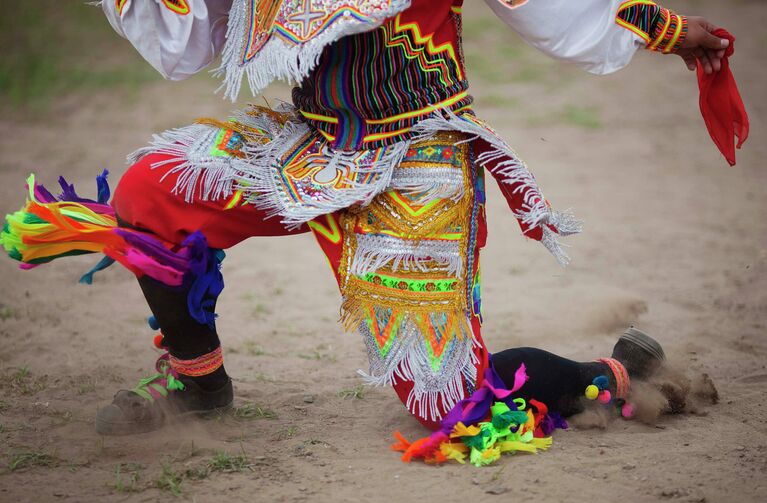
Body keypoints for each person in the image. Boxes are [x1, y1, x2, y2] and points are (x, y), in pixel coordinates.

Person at [0, 0, 728, 463]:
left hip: (420, 161)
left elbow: (550, 8)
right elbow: (186, 38)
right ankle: (199, 387)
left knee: (451, 409)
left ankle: (610, 373)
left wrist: (668, 31)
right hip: (309, 147)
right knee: (149, 192)